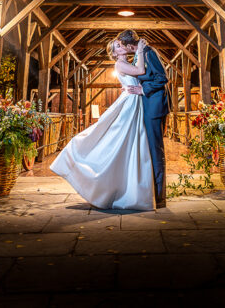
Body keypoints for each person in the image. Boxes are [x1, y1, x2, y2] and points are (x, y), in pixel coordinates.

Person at [49, 34, 155, 210]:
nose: (121, 47)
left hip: (133, 99)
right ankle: (94, 173)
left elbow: (135, 74)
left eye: (121, 44)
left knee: (130, 142)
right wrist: (142, 50)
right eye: (117, 47)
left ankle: (126, 187)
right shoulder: (120, 64)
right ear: (114, 54)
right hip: (129, 102)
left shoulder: (126, 63)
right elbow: (141, 71)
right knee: (117, 138)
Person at [118, 29, 169, 208]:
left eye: (122, 45)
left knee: (155, 151)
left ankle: (160, 197)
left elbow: (162, 78)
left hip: (154, 107)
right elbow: (140, 76)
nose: (122, 49)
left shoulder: (148, 53)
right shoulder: (139, 55)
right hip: (145, 107)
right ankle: (151, 192)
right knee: (147, 149)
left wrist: (143, 90)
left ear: (128, 45)